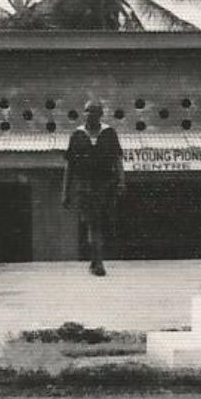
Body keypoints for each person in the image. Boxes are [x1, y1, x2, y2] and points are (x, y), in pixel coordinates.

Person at [61, 99, 124, 277]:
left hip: (105, 187)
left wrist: (121, 181)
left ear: (101, 115)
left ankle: (96, 260)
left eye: (95, 112)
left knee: (100, 224)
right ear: (84, 113)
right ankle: (98, 262)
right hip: (85, 187)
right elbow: (69, 166)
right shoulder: (77, 135)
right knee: (92, 224)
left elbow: (117, 159)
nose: (91, 115)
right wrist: (65, 192)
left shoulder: (109, 134)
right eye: (88, 111)